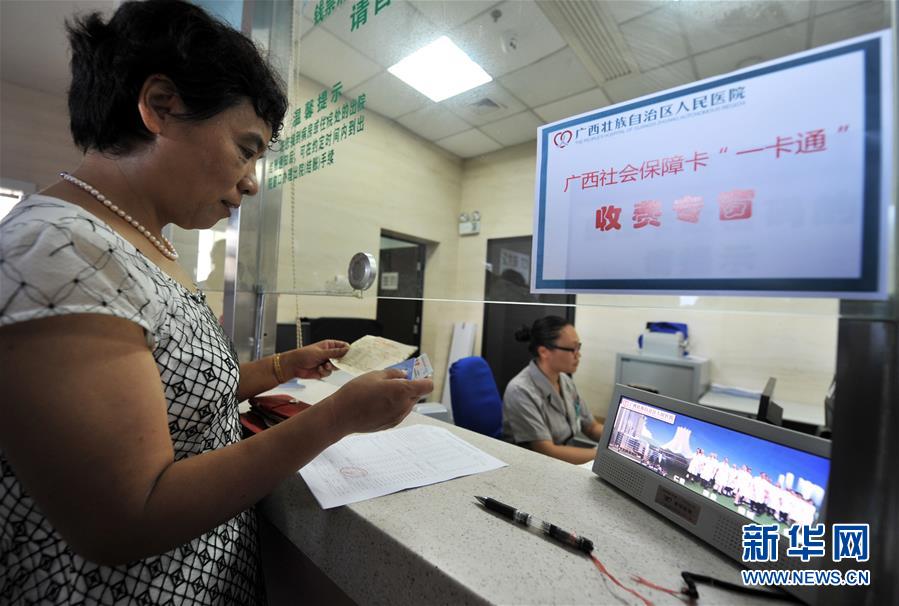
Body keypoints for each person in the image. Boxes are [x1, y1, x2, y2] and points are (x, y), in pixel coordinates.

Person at [0, 2, 432, 604]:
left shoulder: (141, 240)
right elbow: (126, 518)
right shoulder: (60, 250)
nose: (252, 181)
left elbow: (167, 395)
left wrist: (281, 366)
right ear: (160, 106)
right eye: (245, 148)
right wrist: (336, 417)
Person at [502, 316, 604, 465]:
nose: (578, 355)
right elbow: (547, 451)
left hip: (565, 462)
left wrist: (620, 442)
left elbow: (591, 427)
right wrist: (605, 457)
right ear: (544, 352)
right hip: (534, 466)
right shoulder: (520, 390)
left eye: (578, 347)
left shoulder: (565, 381)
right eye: (572, 349)